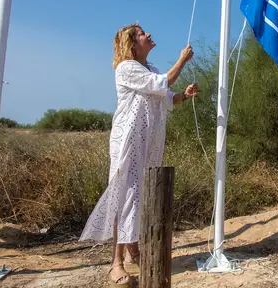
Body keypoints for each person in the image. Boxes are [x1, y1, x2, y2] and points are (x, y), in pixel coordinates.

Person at [79, 23, 199, 287]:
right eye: (142, 34)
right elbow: (162, 82)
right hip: (129, 141)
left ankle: (133, 251)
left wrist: (183, 95)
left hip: (150, 141)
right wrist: (182, 60)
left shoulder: (151, 69)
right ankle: (116, 263)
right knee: (125, 194)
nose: (149, 35)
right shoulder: (126, 68)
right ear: (132, 44)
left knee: (142, 194)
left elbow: (166, 96)